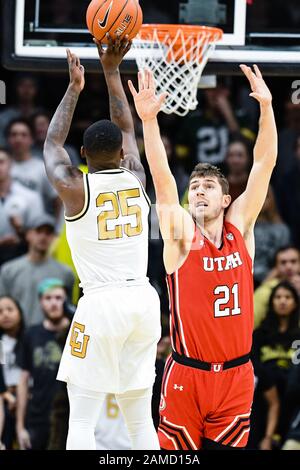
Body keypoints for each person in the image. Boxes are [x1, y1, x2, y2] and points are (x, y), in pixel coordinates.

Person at [129, 64, 277, 450]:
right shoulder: (181, 235)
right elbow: (163, 185)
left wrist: (266, 109)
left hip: (236, 376)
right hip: (186, 375)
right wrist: (149, 121)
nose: (198, 191)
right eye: (194, 186)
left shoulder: (240, 229)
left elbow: (263, 165)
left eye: (208, 186)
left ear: (226, 200)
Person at [44, 36, 161, 450]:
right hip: (144, 302)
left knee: (81, 422)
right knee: (140, 421)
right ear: (121, 152)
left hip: (102, 304)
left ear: (83, 154)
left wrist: (74, 88)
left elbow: (52, 144)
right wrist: (111, 70)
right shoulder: (136, 175)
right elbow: (128, 126)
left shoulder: (75, 186)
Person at [16, 278, 70, 450]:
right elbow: (23, 381)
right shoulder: (30, 334)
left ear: (66, 301)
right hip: (38, 418)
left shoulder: (77, 333)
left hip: (70, 417)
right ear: (40, 302)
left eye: (58, 298)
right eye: (48, 298)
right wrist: (19, 427)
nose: (53, 303)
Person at [0, 215, 75, 326]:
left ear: (54, 238)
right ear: (28, 234)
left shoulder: (66, 273)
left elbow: (69, 310)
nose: (43, 237)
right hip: (18, 337)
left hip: (52, 338)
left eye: (48, 233)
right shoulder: (9, 270)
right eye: (38, 231)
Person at [252, 281, 300, 445]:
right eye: (278, 297)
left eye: (288, 297)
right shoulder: (259, 335)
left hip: (292, 394)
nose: (282, 301)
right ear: (271, 302)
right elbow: (254, 368)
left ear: (295, 303)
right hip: (264, 394)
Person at [0, 147, 45, 266]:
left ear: (11, 164)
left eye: (1, 162)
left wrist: (21, 231)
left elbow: (40, 232)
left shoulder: (30, 196)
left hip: (22, 257)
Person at [254, 245, 300, 328]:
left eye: (293, 261)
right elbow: (253, 322)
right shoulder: (265, 291)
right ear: (276, 267)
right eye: (283, 262)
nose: (289, 266)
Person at [0, 296, 24, 449]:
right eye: (0, 312)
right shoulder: (0, 341)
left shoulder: (29, 338)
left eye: (10, 309)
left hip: (27, 396)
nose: (5, 314)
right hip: (4, 397)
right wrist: (6, 395)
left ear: (20, 313)